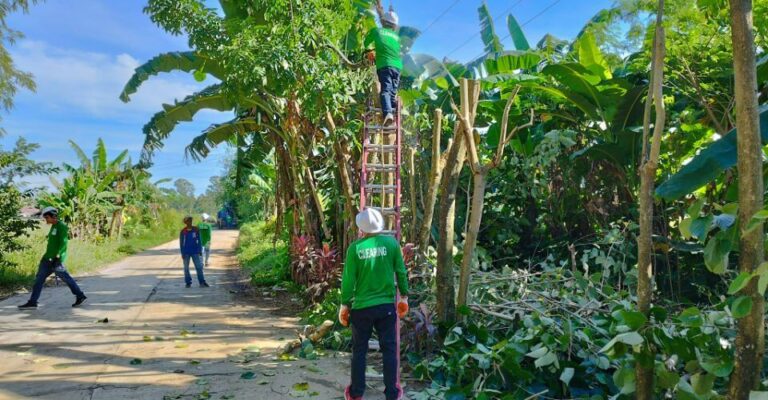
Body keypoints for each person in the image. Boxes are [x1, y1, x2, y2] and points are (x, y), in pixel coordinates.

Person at [339, 208, 409, 400]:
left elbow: (348, 280)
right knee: (389, 349)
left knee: (359, 350)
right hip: (386, 307)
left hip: (361, 309)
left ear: (361, 227)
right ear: (381, 224)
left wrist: (345, 304)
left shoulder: (355, 248)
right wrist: (404, 296)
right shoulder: (392, 244)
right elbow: (401, 272)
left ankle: (356, 393)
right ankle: (392, 393)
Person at [18, 207, 87, 309]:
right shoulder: (53, 226)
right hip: (47, 259)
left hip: (56, 260)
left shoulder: (61, 226)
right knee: (38, 280)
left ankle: (80, 295)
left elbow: (63, 242)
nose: (46, 220)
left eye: (47, 217)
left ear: (53, 216)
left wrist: (58, 255)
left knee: (66, 279)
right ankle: (33, 302)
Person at [364, 2, 401, 126]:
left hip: (384, 65)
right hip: (397, 67)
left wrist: (370, 51)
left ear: (383, 22)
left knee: (385, 89)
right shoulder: (397, 37)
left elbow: (366, 42)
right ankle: (393, 113)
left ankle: (388, 114)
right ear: (394, 26)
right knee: (392, 92)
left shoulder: (377, 31)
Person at [180, 216, 209, 288]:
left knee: (199, 267)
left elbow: (199, 241)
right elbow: (181, 243)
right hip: (186, 252)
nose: (190, 222)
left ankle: (202, 282)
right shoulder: (183, 231)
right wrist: (182, 253)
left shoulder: (196, 230)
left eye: (191, 221)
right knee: (186, 268)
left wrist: (200, 250)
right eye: (188, 221)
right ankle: (188, 282)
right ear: (185, 222)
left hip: (195, 251)